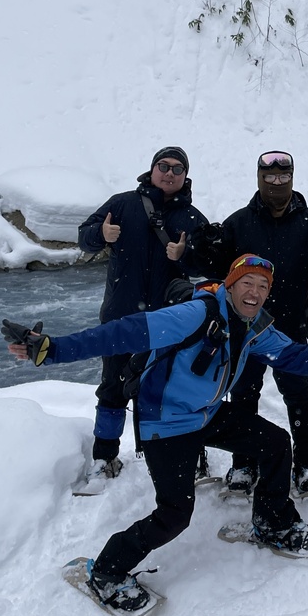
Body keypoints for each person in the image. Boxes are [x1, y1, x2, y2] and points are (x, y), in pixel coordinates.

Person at [2, 254, 308, 616]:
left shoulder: (254, 325)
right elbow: (124, 333)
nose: (255, 292)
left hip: (204, 413)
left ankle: (272, 522)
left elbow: (293, 356)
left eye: (263, 286)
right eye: (247, 283)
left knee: (274, 443)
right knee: (174, 515)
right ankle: (105, 571)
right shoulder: (196, 313)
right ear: (231, 284)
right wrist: (52, 350)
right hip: (165, 421)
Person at [195, 151, 308, 496]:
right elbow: (218, 274)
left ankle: (307, 464)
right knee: (243, 395)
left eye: (283, 177)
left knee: (298, 396)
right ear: (259, 178)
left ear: (292, 178)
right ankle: (243, 464)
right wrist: (206, 250)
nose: (277, 183)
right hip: (243, 329)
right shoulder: (239, 222)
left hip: (291, 327)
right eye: (269, 177)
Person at [75, 147, 211, 491]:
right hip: (122, 317)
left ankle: (189, 456)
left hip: (172, 321)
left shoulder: (193, 219)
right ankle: (104, 458)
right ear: (151, 170)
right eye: (163, 166)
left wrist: (187, 255)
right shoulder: (122, 204)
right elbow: (84, 235)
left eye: (177, 169)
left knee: (174, 390)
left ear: (185, 176)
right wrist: (100, 236)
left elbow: (210, 265)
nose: (169, 173)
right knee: (113, 388)